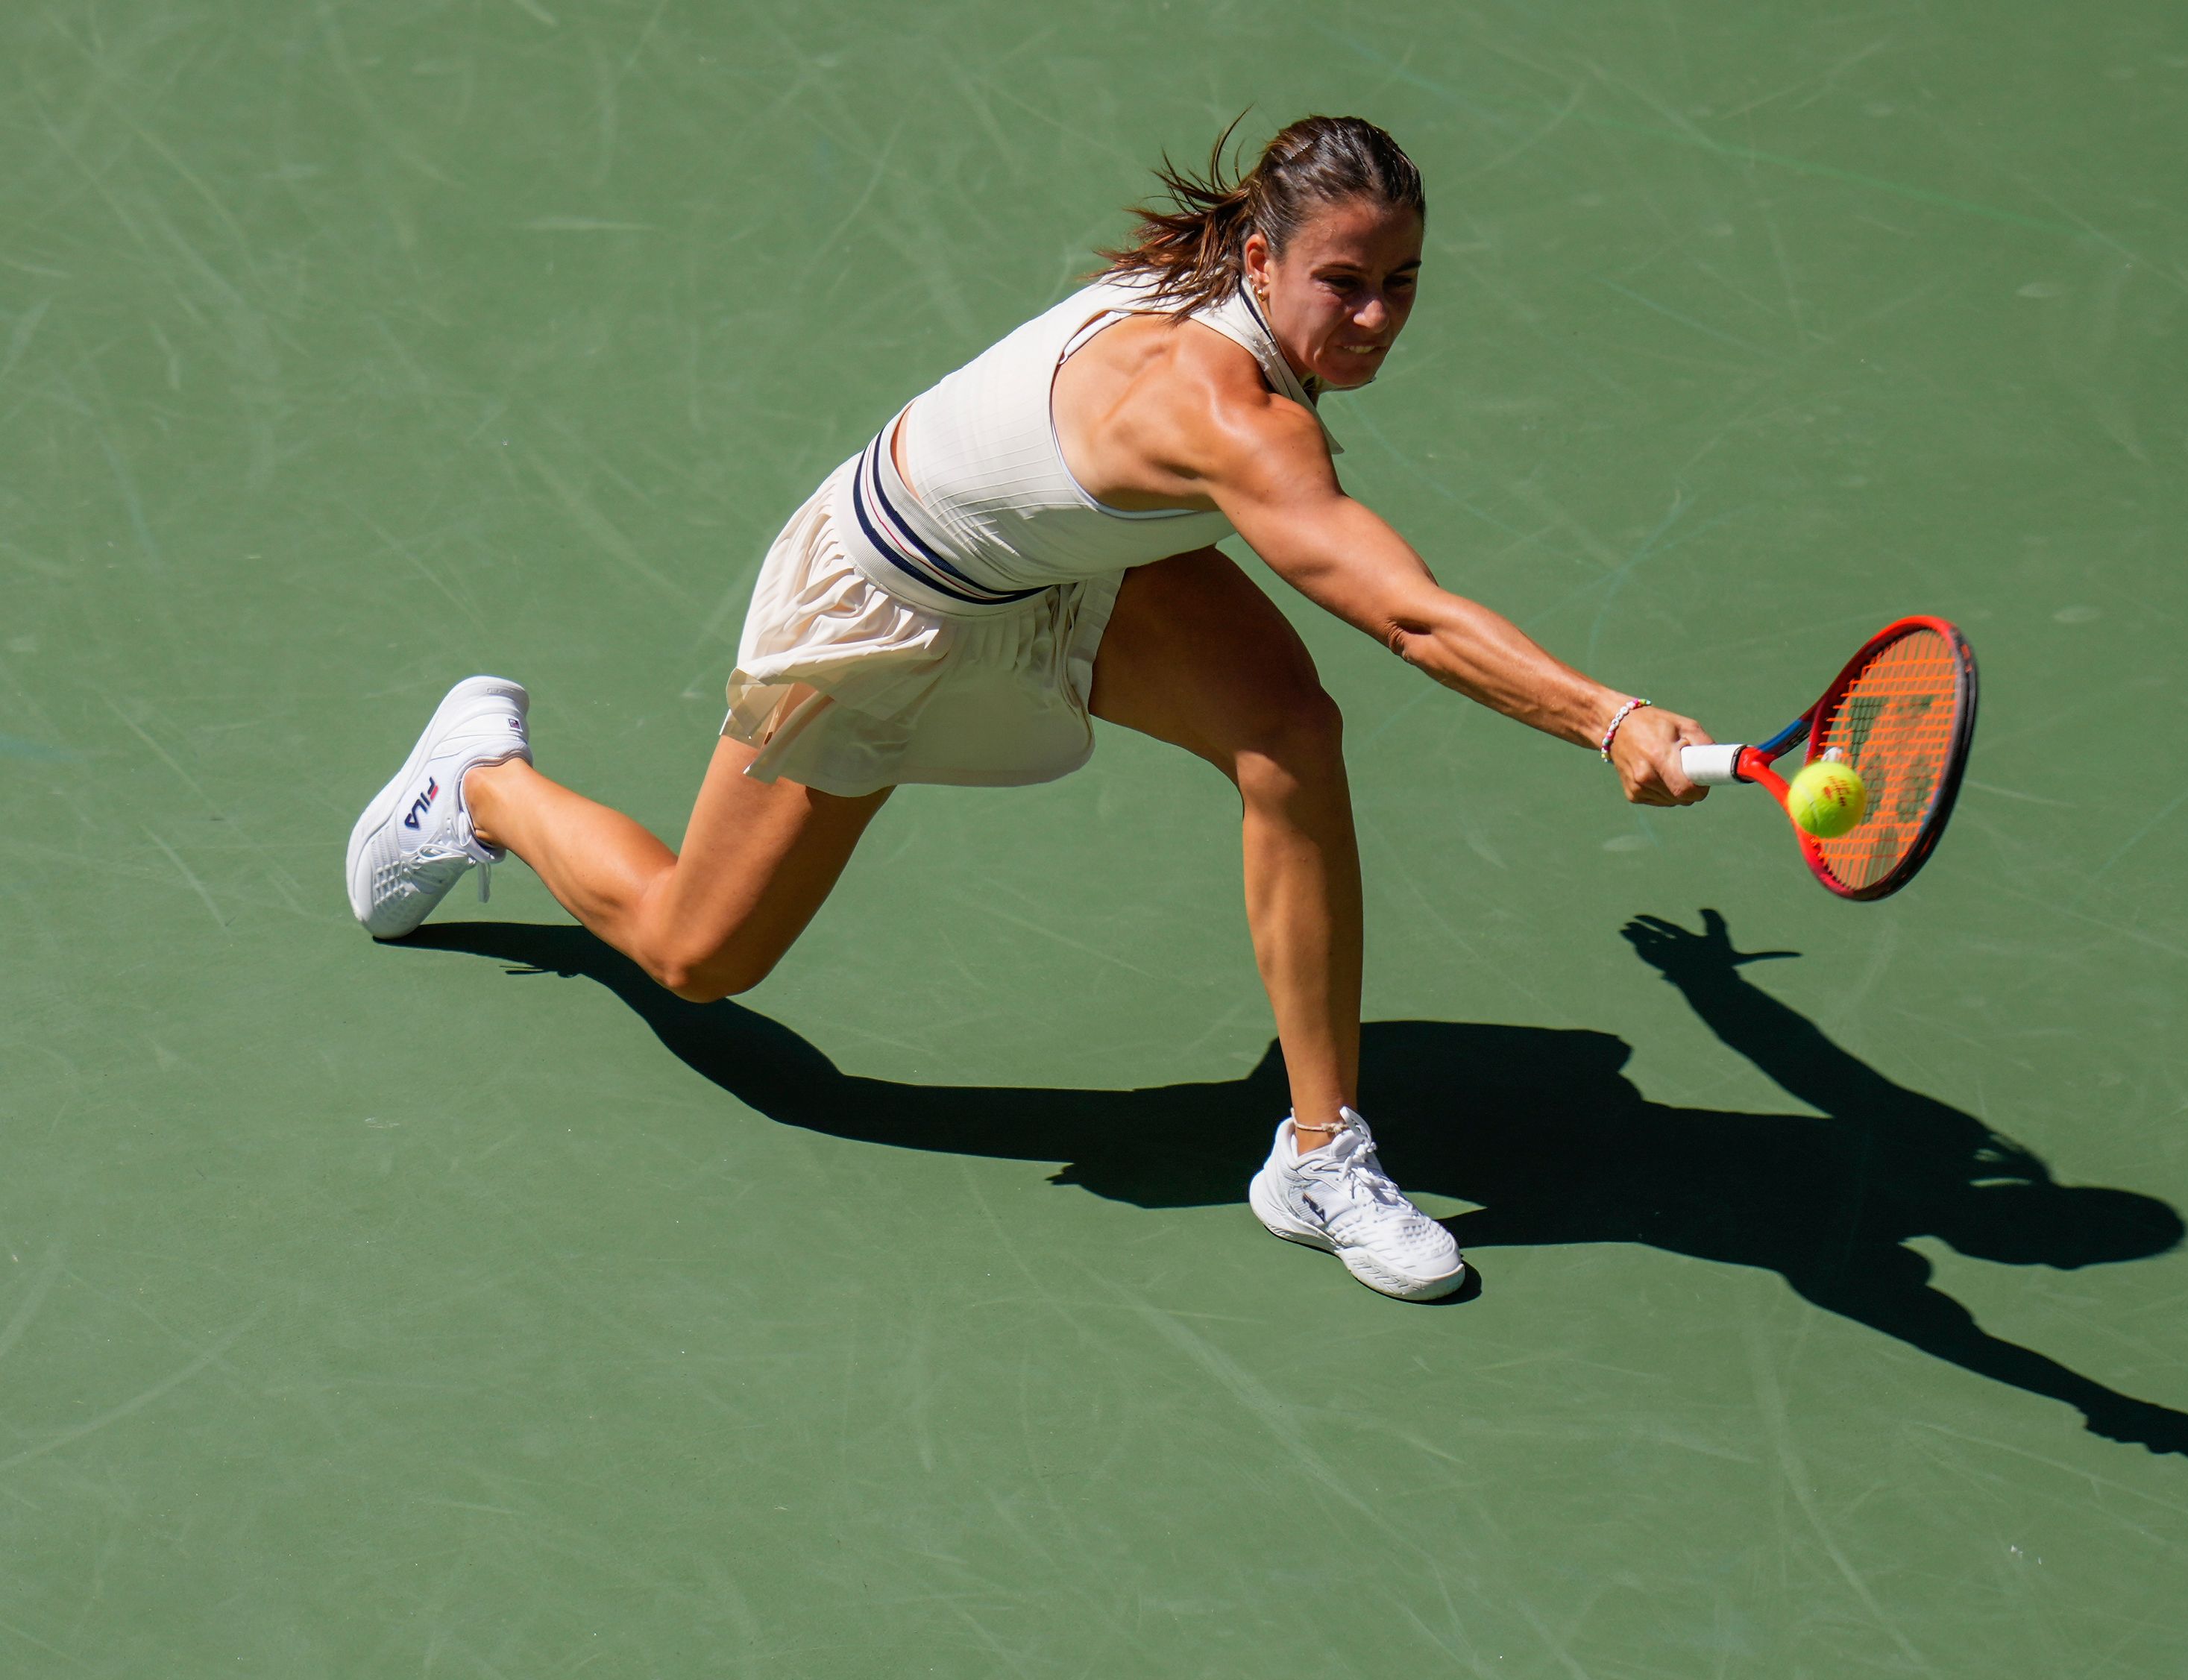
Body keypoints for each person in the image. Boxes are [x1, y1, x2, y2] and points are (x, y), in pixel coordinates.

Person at [345, 115, 1712, 1303]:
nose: (1373, 320)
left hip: (1075, 568)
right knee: (699, 952)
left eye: (1401, 284)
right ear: (1258, 263)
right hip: (888, 602)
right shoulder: (1225, 414)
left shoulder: (1233, 304)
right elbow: (1406, 612)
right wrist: (1607, 717)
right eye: (1343, 285)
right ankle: (479, 785)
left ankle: (1319, 1154)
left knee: (1291, 735)